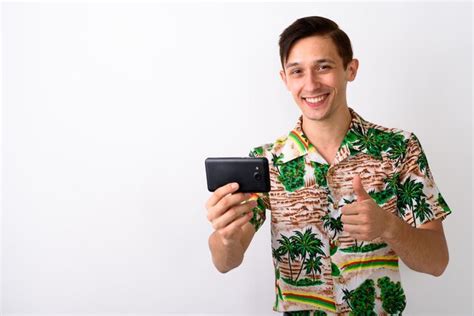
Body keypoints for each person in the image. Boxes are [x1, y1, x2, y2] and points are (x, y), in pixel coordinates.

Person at [205, 16, 451, 315]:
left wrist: (389, 226)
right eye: (297, 71)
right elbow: (225, 262)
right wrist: (226, 236)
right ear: (285, 79)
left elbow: (437, 261)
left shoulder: (399, 148)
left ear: (351, 69)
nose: (311, 84)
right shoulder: (267, 162)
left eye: (324, 67)